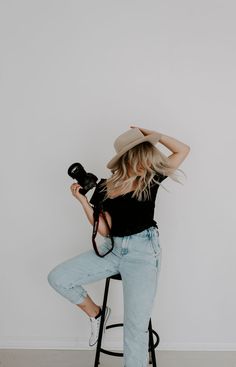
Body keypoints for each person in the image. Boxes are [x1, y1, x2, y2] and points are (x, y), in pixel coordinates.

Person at [47, 125, 190, 367]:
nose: (149, 158)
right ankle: (97, 314)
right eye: (143, 153)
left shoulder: (151, 179)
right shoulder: (105, 186)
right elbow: (104, 229)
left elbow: (183, 150)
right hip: (113, 249)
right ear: (130, 157)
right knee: (58, 277)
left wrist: (151, 133)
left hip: (143, 253)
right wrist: (83, 202)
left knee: (135, 329)